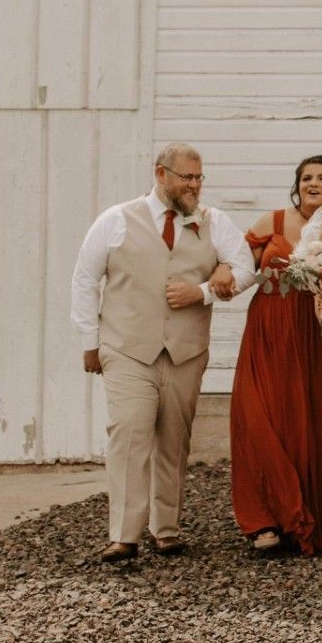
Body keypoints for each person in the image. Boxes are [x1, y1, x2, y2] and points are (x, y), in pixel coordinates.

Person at [70, 143, 255, 563]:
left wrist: (203, 291)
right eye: (186, 177)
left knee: (174, 440)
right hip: (127, 347)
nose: (194, 185)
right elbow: (85, 278)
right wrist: (89, 342)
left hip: (186, 350)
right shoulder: (116, 220)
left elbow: (245, 269)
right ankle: (124, 535)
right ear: (161, 175)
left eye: (199, 178)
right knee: (130, 433)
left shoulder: (216, 222)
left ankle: (165, 528)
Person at [229, 155, 322, 556]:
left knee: (312, 419)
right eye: (306, 177)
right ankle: (263, 519)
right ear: (297, 184)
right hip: (268, 329)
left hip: (318, 330)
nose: (313, 183)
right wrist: (214, 279)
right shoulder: (270, 223)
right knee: (257, 416)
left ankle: (308, 512)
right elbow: (236, 264)